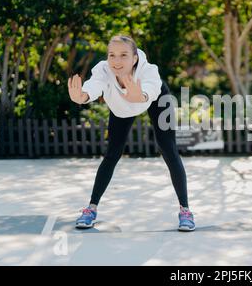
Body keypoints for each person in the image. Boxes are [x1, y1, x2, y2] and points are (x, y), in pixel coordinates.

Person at [67, 35, 195, 231]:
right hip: (122, 107)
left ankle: (185, 211)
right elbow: (94, 86)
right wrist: (82, 96)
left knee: (168, 148)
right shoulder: (102, 69)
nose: (117, 61)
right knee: (112, 154)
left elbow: (152, 89)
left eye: (123, 55)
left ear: (134, 58)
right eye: (112, 55)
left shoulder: (148, 70)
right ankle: (91, 208)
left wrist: (141, 95)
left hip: (157, 99)